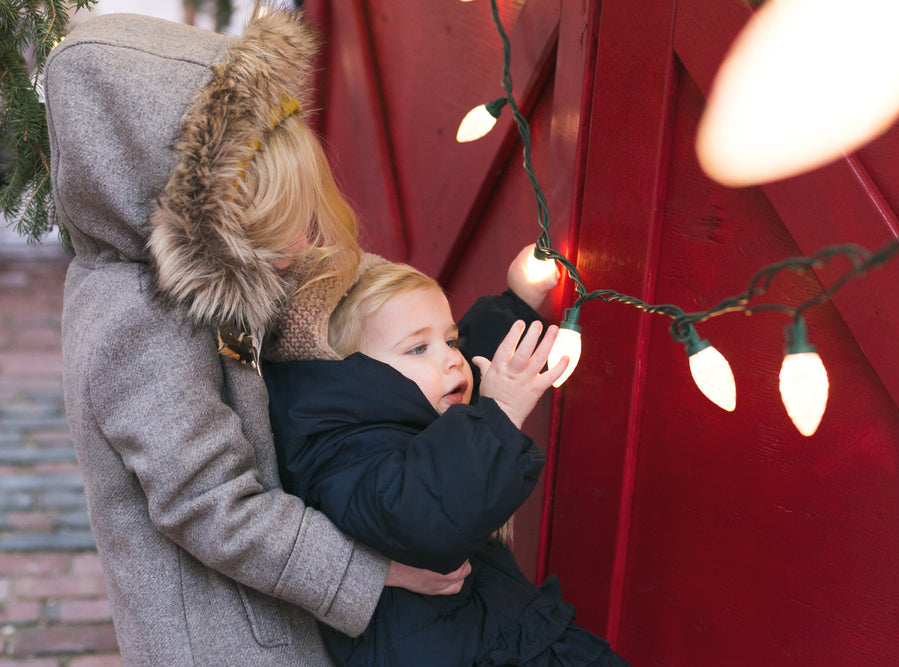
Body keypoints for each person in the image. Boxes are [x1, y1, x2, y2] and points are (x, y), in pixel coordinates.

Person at [45, 10, 470, 665]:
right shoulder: (143, 323)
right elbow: (211, 504)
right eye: (277, 228)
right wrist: (378, 571)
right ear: (199, 217)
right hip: (223, 644)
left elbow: (262, 361)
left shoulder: (169, 285)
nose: (303, 245)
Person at [261, 256, 631, 665]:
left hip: (499, 635)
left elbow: (473, 362)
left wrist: (520, 298)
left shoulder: (417, 407)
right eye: (419, 347)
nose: (452, 358)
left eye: (449, 340)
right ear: (352, 375)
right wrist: (501, 410)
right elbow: (424, 511)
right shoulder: (347, 450)